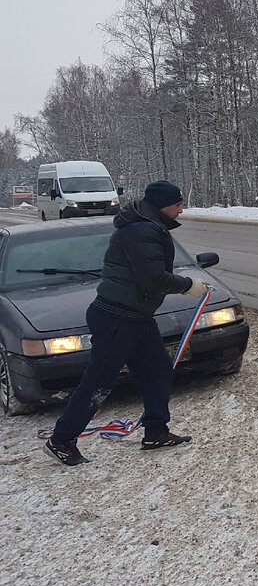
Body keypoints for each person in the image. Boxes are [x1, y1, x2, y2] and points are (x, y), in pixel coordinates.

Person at [45, 181, 209, 466]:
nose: (182, 209)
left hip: (136, 316)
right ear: (162, 205)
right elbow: (152, 278)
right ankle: (61, 440)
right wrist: (187, 285)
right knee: (100, 381)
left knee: (157, 372)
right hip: (115, 316)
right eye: (178, 204)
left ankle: (155, 431)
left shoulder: (148, 226)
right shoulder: (141, 230)